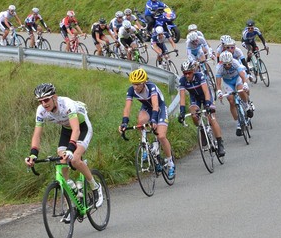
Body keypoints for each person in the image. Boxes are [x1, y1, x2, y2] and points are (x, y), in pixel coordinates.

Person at [25, 83, 104, 218]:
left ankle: (95, 186)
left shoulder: (66, 104)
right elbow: (37, 135)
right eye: (40, 101)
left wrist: (71, 149)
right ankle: (72, 202)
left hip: (81, 128)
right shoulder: (41, 111)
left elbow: (76, 130)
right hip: (66, 131)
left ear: (54, 97)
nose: (44, 104)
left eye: (46, 100)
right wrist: (33, 154)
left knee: (74, 159)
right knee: (62, 162)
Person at [119, 68, 176, 179]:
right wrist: (124, 123)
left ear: (144, 82)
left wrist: (154, 120)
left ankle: (170, 163)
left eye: (137, 84)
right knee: (141, 121)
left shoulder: (151, 87)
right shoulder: (131, 90)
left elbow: (155, 105)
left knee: (161, 136)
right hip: (146, 108)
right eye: (133, 84)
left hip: (159, 108)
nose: (135, 87)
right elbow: (127, 108)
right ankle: (145, 146)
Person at [174, 61, 225, 156]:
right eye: (185, 73)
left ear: (193, 71)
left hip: (206, 97)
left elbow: (206, 92)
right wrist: (182, 112)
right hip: (195, 98)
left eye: (189, 73)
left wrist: (208, 105)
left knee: (212, 118)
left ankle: (220, 143)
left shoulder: (199, 76)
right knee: (193, 115)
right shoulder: (182, 81)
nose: (187, 75)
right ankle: (202, 130)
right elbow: (182, 97)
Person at [214, 51, 253, 137]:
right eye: (225, 64)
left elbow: (242, 75)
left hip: (237, 78)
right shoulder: (219, 68)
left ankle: (247, 106)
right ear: (222, 63)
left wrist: (245, 83)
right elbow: (218, 84)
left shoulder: (235, 62)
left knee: (241, 90)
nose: (227, 66)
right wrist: (219, 91)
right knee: (231, 100)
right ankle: (239, 122)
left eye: (229, 64)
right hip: (228, 82)